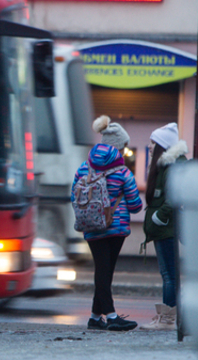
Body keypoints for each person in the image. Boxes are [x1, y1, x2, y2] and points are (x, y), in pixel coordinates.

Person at [72, 115, 142, 332]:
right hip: (116, 227)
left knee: (103, 270)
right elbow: (136, 205)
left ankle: (95, 317)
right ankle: (111, 316)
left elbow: (74, 197)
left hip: (92, 227)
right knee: (105, 271)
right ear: (117, 147)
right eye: (123, 147)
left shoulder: (84, 168)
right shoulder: (123, 172)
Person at [140, 123, 187, 330]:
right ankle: (167, 316)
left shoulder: (170, 167)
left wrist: (160, 216)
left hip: (166, 227)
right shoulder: (165, 166)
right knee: (167, 274)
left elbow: (174, 197)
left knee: (169, 275)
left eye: (153, 143)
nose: (149, 146)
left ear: (162, 146)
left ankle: (168, 318)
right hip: (162, 228)